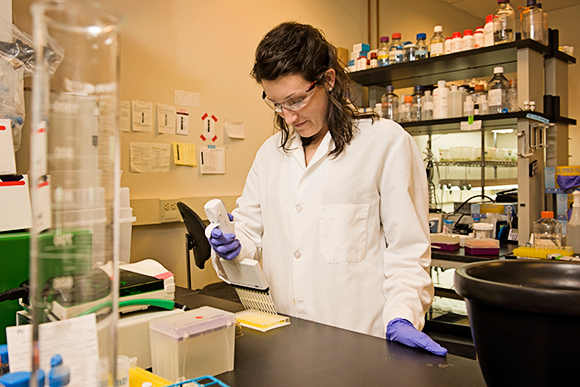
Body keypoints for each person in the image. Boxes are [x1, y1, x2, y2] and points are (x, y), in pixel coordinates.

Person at [207, 21, 446, 356]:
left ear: (328, 80)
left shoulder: (385, 143)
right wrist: (232, 243)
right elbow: (249, 234)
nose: (287, 116)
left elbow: (407, 250)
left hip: (361, 343)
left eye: (296, 100)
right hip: (282, 341)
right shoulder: (269, 154)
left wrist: (402, 316)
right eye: (276, 103)